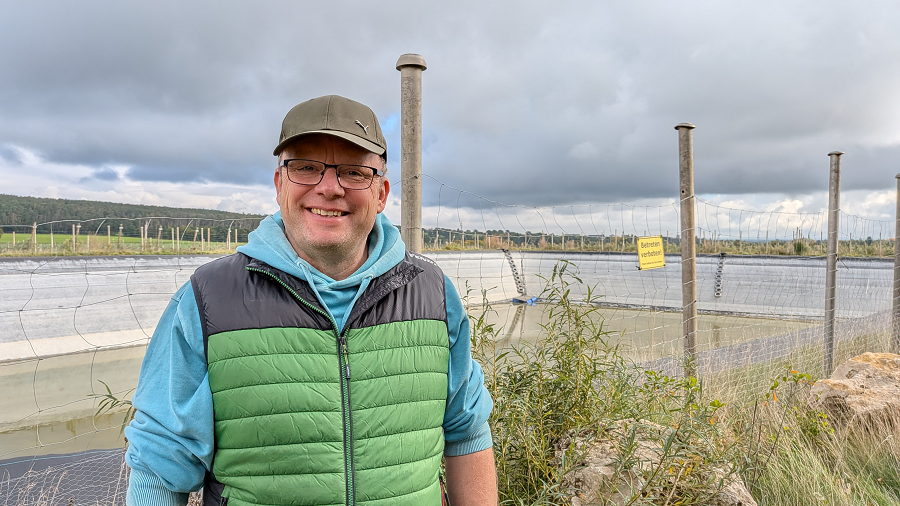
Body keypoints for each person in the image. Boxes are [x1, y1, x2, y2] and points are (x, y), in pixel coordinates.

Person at [124, 95, 497, 506]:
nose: (329, 187)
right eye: (305, 167)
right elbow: (159, 467)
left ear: (381, 193)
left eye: (354, 171)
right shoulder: (207, 300)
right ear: (279, 184)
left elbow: (467, 431)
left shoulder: (433, 292)